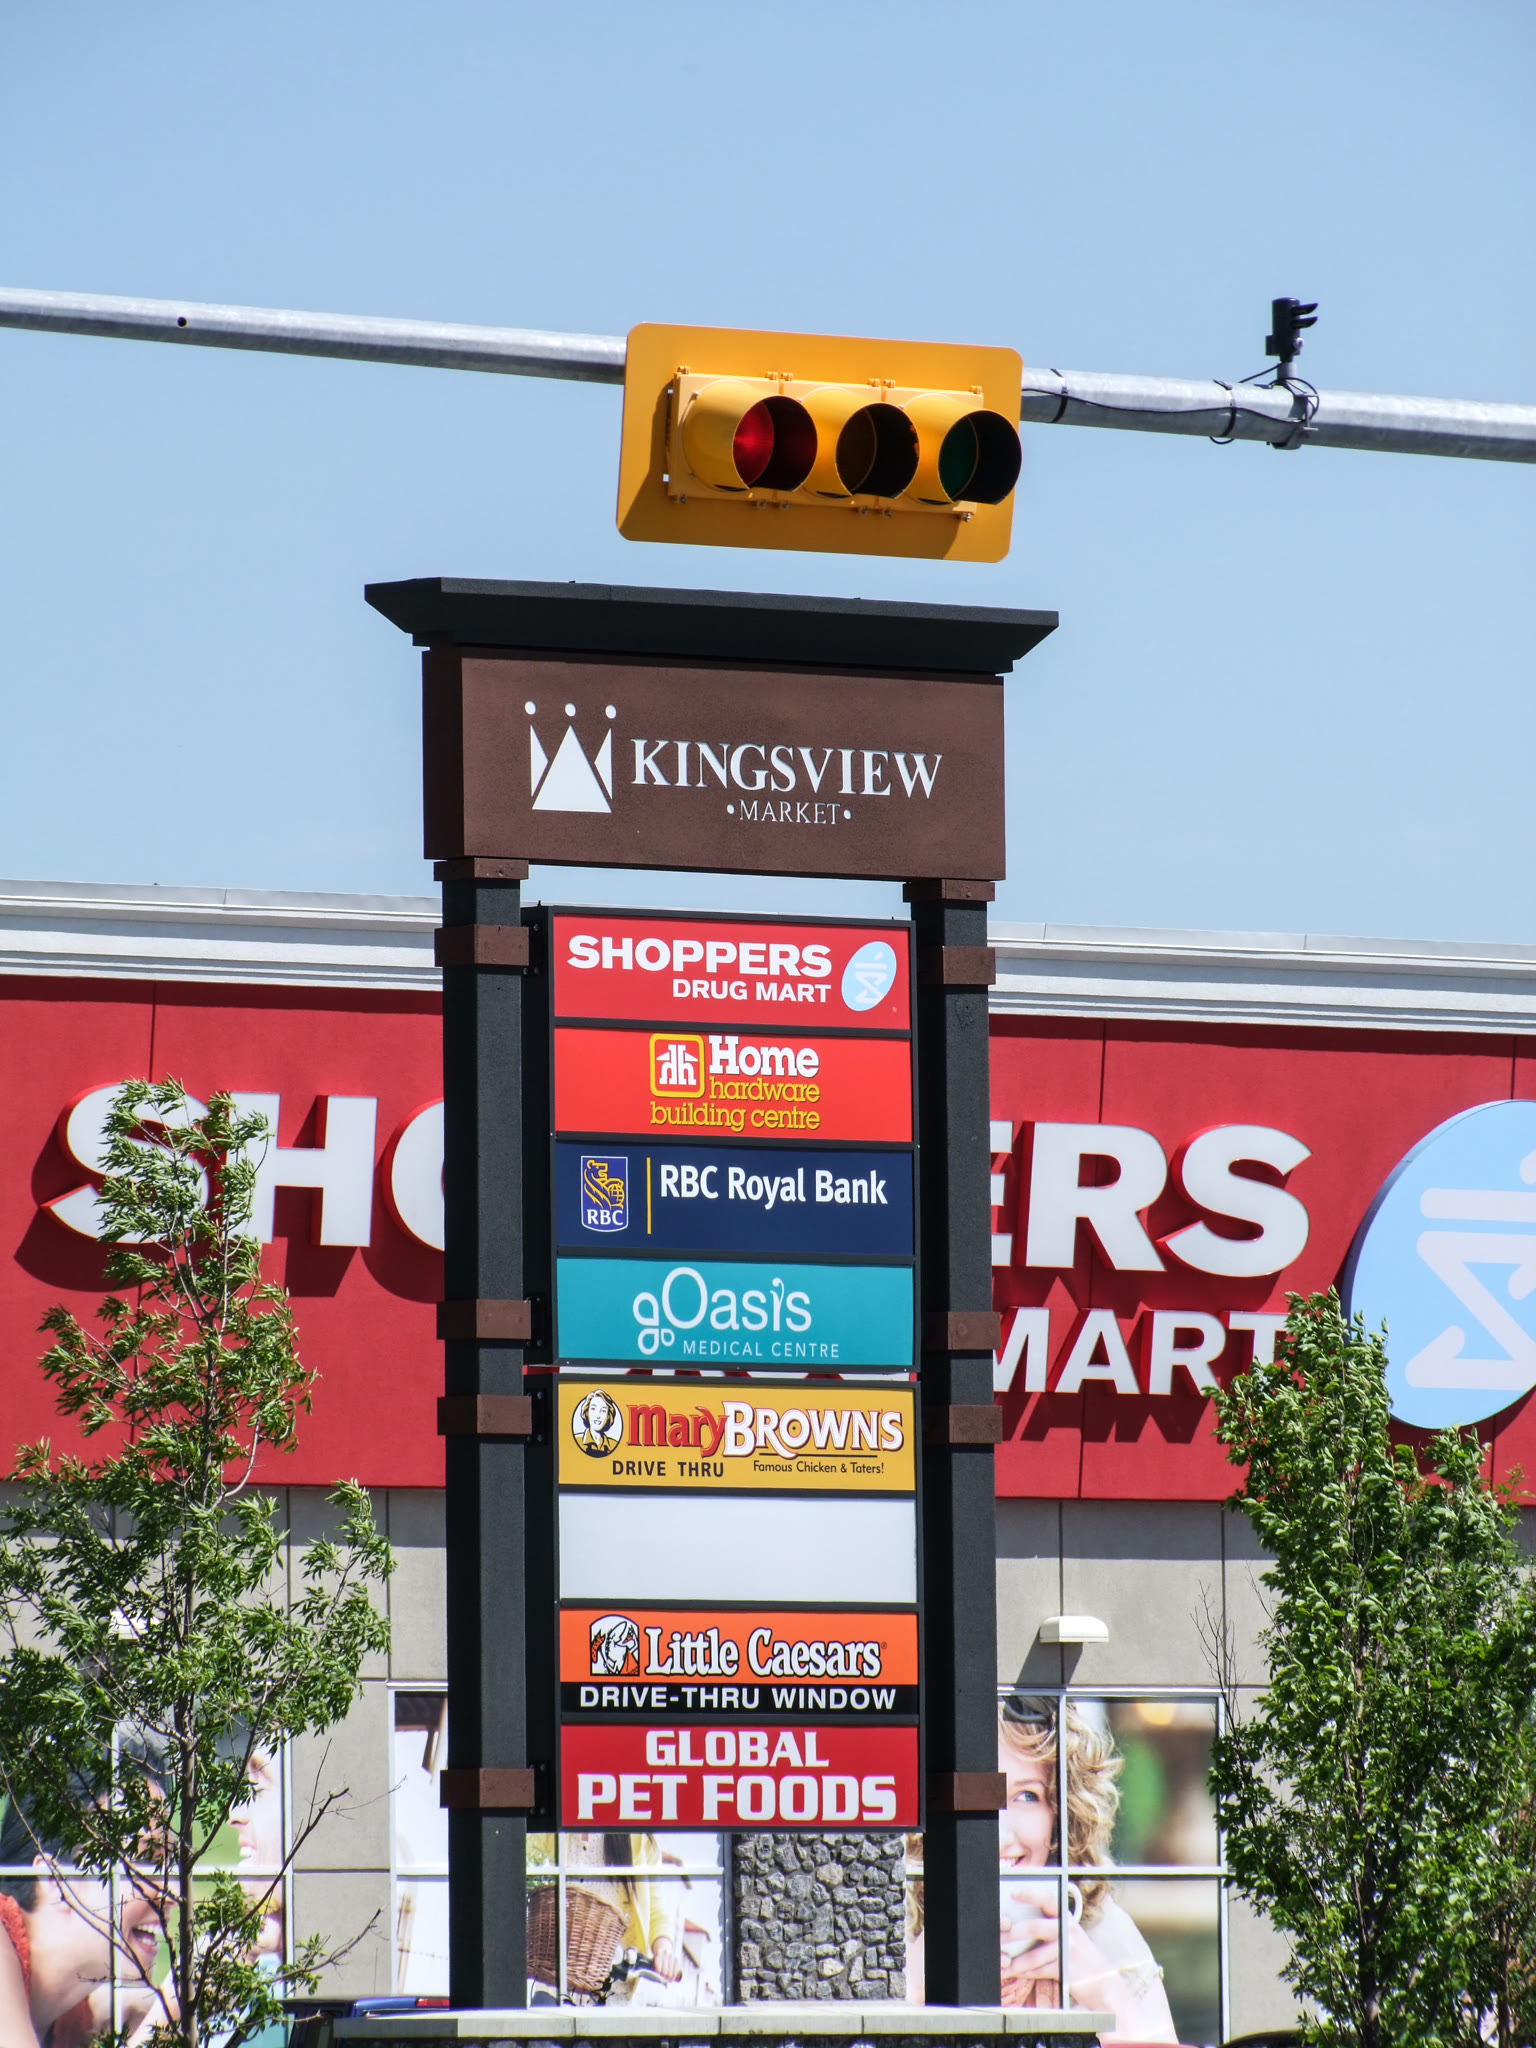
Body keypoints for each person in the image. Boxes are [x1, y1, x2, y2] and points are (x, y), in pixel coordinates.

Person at [998, 1696, 1177, 2043]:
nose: (1001, 1836)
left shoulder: (1101, 1935)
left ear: (1061, 1814)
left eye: (1028, 1796)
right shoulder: (910, 1933)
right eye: (979, 1798)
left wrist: (1104, 1992)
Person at [0, 1794, 163, 2048]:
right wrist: (168, 2017)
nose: (172, 1893)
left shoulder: (70, 2023)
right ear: (56, 1880)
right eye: (143, 1859)